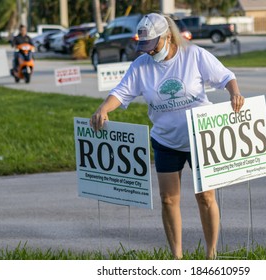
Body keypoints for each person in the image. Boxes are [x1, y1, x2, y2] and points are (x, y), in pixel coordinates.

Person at [90, 13, 244, 259]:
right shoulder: (141, 65)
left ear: (168, 36)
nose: (149, 52)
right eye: (145, 46)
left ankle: (211, 254)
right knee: (168, 199)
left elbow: (226, 76)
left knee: (206, 196)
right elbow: (121, 91)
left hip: (201, 136)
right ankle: (177, 258)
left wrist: (234, 93)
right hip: (165, 140)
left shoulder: (193, 55)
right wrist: (104, 108)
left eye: (153, 45)